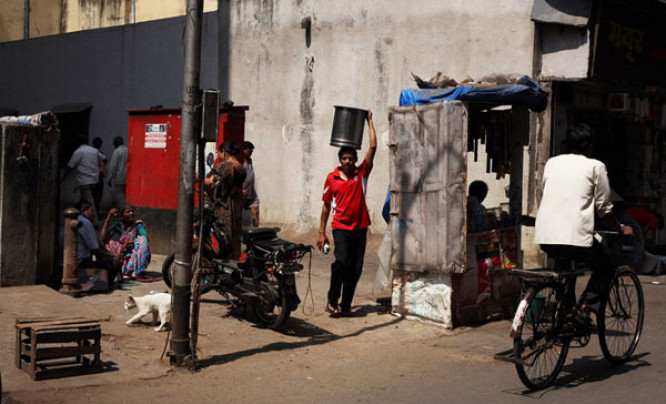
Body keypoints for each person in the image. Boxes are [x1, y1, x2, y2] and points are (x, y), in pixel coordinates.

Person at [534, 123, 633, 326]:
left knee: (566, 269)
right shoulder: (595, 166)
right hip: (576, 239)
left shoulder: (551, 163)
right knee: (607, 266)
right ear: (589, 146)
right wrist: (620, 228)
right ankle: (584, 308)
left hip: (546, 237)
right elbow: (604, 209)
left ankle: (566, 312)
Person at [317, 109, 377, 316]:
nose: (348, 162)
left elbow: (373, 146)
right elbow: (326, 205)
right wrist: (321, 232)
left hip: (360, 229)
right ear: (340, 160)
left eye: (351, 158)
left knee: (356, 268)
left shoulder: (362, 174)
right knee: (342, 262)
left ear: (355, 160)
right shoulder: (331, 178)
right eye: (344, 158)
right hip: (341, 228)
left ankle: (346, 305)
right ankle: (332, 298)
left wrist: (369, 121)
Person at [204, 140, 246, 259]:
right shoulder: (240, 167)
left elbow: (212, 182)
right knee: (235, 236)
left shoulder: (226, 166)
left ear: (224, 152)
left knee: (222, 236)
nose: (218, 155)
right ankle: (235, 259)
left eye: (219, 152)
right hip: (236, 206)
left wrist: (198, 179)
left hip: (224, 207)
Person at [100, 203, 151, 280]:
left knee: (141, 240)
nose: (131, 213)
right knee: (107, 243)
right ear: (122, 215)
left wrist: (128, 243)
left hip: (135, 253)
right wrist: (108, 218)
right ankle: (118, 267)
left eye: (132, 211)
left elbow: (146, 239)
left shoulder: (137, 225)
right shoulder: (118, 225)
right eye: (128, 212)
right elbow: (102, 238)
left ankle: (135, 269)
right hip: (124, 253)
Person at [62, 137, 106, 221]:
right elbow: (104, 158)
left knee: (89, 201)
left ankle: (94, 220)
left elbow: (70, 166)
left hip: (84, 180)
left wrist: (64, 176)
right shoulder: (94, 151)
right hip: (94, 179)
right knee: (85, 199)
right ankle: (80, 217)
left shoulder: (78, 152)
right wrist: (99, 167)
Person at [77, 202, 120, 285]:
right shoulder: (85, 223)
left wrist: (109, 253)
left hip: (79, 260)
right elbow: (96, 249)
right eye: (91, 211)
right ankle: (107, 284)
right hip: (81, 263)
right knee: (115, 262)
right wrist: (113, 255)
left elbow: (97, 244)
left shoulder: (79, 220)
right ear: (84, 211)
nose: (93, 214)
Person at [242, 141, 260, 227]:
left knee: (255, 209)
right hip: (242, 191)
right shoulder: (240, 161)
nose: (251, 154)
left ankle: (256, 231)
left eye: (252, 152)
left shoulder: (249, 160)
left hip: (251, 190)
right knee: (238, 213)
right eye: (249, 151)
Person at [107, 135, 128, 209]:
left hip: (119, 178)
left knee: (120, 196)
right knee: (127, 196)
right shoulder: (128, 150)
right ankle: (127, 210)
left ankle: (122, 210)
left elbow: (113, 166)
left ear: (115, 143)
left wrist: (109, 178)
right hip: (128, 177)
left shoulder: (116, 152)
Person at [91, 137, 108, 216]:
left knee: (92, 198)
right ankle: (96, 214)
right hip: (99, 178)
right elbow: (105, 162)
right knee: (97, 198)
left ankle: (92, 215)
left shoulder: (90, 153)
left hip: (91, 178)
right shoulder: (100, 154)